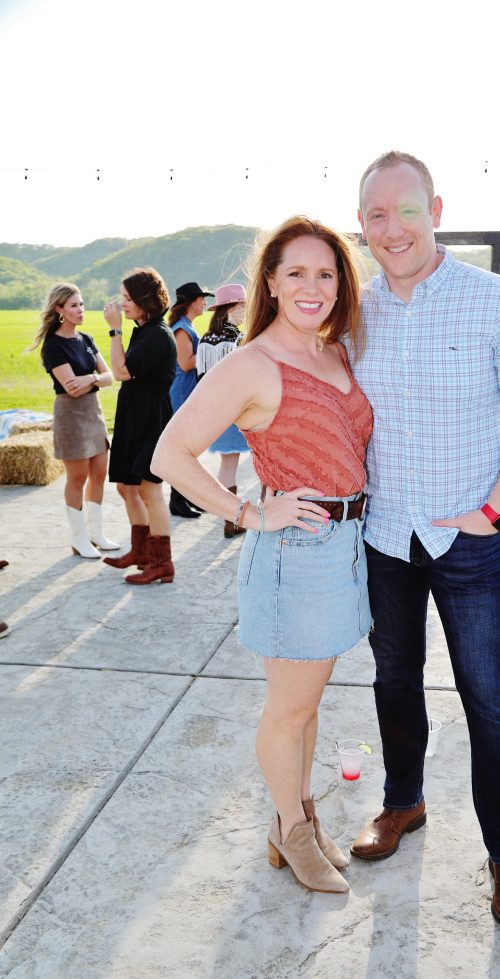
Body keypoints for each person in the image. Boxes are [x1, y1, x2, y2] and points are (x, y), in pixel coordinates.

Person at [349, 151, 500, 929]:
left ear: (435, 210)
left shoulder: (493, 300)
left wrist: (494, 511)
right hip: (384, 535)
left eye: (406, 210)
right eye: (376, 214)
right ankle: (402, 802)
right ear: (360, 224)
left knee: (488, 698)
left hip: (469, 539)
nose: (392, 228)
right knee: (393, 680)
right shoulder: (352, 311)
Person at [152, 216, 372, 895]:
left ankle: (300, 815)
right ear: (270, 283)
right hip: (294, 555)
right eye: (296, 272)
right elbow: (168, 455)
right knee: (288, 711)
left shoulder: (333, 352)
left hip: (344, 547)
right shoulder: (253, 364)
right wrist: (248, 512)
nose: (313, 286)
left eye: (326, 273)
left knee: (307, 706)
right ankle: (290, 832)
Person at [29, 283, 118, 558]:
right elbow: (72, 389)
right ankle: (79, 539)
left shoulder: (87, 339)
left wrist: (90, 378)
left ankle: (96, 534)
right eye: (74, 306)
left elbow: (110, 376)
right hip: (70, 415)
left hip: (94, 412)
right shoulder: (53, 346)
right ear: (59, 310)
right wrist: (96, 379)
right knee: (77, 477)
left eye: (81, 304)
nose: (81, 310)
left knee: (99, 474)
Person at [102, 268, 177, 584]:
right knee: (126, 486)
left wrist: (114, 330)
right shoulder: (144, 331)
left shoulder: (157, 334)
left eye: (128, 298)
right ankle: (142, 552)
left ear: (146, 300)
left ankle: (163, 563)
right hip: (134, 416)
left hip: (151, 420)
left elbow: (121, 372)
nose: (123, 304)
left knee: (149, 487)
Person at [196, 282, 251, 537]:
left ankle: (229, 519)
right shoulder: (238, 338)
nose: (246, 311)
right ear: (232, 307)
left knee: (227, 465)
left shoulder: (206, 339)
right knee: (242, 464)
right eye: (243, 306)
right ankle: (234, 519)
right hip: (237, 411)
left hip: (214, 411)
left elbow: (201, 379)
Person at [167, 281, 215, 518]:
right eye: (202, 298)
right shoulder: (182, 329)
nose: (205, 302)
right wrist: (212, 351)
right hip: (182, 391)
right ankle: (177, 501)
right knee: (183, 449)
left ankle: (183, 497)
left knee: (187, 449)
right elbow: (186, 363)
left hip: (187, 390)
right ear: (192, 302)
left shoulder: (187, 326)